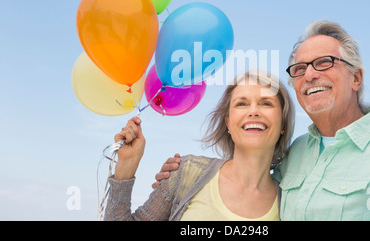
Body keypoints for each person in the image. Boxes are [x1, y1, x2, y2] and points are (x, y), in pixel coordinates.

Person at [156, 20, 370, 221]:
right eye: (300, 68)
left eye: (324, 62)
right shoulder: (296, 153)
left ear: (356, 78)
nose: (310, 75)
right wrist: (185, 174)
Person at [103, 71, 295, 221]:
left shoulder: (290, 202)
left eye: (266, 103)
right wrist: (125, 170)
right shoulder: (187, 172)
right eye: (242, 104)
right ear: (228, 123)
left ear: (283, 125)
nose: (253, 111)